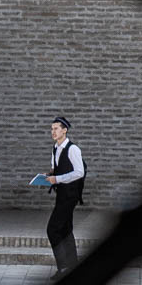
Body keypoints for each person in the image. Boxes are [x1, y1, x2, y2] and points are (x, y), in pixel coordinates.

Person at [46, 116, 86, 276]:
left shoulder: (73, 149)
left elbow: (79, 172)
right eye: (51, 129)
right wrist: (49, 175)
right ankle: (73, 267)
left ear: (64, 130)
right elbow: (56, 168)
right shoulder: (55, 148)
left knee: (52, 229)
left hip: (70, 196)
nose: (53, 132)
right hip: (61, 194)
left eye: (56, 128)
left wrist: (58, 179)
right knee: (65, 230)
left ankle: (63, 268)